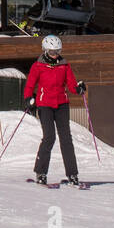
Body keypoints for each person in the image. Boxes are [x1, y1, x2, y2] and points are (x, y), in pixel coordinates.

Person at [24, 34, 87, 186]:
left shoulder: (64, 65)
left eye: (57, 51)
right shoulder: (38, 66)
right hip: (44, 105)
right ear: (45, 50)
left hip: (61, 104)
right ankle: (41, 172)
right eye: (52, 51)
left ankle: (72, 174)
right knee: (49, 137)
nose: (55, 54)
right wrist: (28, 99)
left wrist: (78, 89)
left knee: (66, 139)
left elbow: (71, 84)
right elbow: (30, 85)